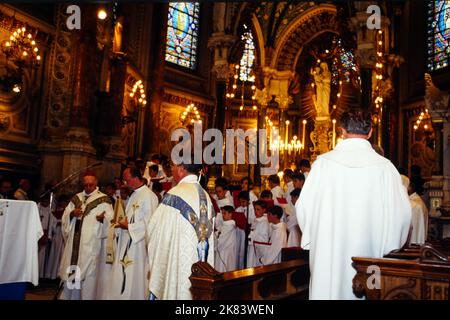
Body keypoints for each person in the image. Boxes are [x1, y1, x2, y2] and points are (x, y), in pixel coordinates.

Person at [296, 109, 411, 300]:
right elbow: (402, 216)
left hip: (329, 255)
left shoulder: (322, 165)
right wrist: (388, 245)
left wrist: (315, 237)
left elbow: (303, 209)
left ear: (341, 131)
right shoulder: (385, 168)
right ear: (371, 132)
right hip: (371, 259)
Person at [147, 161, 214, 299]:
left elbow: (155, 231)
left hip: (179, 265)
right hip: (202, 270)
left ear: (182, 169)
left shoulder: (175, 194)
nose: (171, 169)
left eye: (173, 166)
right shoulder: (206, 196)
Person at [59, 171, 114, 300]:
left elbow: (111, 220)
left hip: (91, 244)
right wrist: (72, 214)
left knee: (88, 275)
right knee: (72, 270)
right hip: (74, 243)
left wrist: (102, 219)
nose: (88, 187)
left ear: (96, 184)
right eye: (86, 185)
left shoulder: (104, 200)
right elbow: (65, 217)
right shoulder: (76, 198)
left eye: (91, 185)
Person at [108, 167, 159, 300]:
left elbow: (150, 224)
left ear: (136, 178)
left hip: (138, 246)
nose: (125, 183)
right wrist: (120, 224)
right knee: (124, 276)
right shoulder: (134, 195)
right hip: (127, 242)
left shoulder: (149, 196)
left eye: (127, 180)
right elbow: (130, 217)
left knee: (135, 277)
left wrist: (129, 226)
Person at [45, 194, 69, 280]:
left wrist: (62, 223)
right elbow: (52, 222)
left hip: (64, 234)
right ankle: (52, 274)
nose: (63, 204)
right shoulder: (56, 211)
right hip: (58, 233)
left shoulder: (69, 211)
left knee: (62, 254)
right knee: (55, 253)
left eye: (65, 202)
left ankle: (60, 274)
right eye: (62, 203)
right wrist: (57, 223)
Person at [247, 200, 270, 268]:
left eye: (258, 209)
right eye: (255, 209)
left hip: (258, 250)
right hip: (252, 248)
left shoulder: (264, 222)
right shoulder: (256, 220)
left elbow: (264, 239)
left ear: (264, 210)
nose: (255, 211)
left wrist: (252, 233)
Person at [214, 205, 237, 272]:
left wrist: (216, 236)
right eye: (222, 213)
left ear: (230, 214)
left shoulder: (230, 226)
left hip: (226, 252)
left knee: (225, 268)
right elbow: (218, 233)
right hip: (222, 251)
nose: (223, 215)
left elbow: (221, 239)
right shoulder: (224, 224)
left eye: (224, 213)